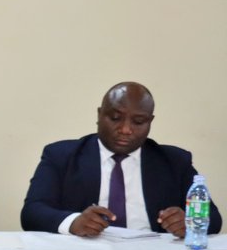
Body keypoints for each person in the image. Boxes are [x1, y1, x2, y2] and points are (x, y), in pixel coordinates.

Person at [20, 81, 222, 237]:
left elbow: (213, 218)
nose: (125, 129)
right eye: (115, 118)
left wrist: (188, 222)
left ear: (150, 122)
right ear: (100, 115)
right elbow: (32, 213)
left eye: (138, 121)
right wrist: (73, 222)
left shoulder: (175, 161)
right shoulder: (61, 155)